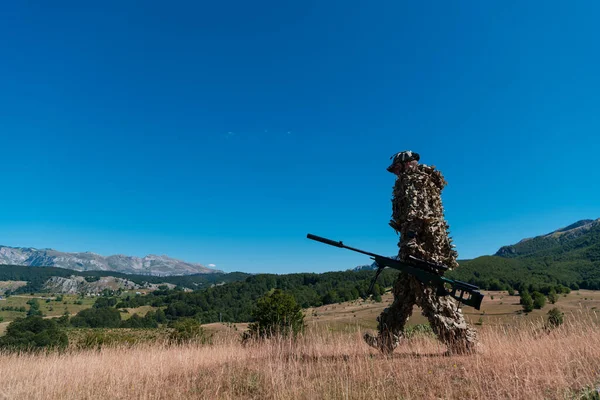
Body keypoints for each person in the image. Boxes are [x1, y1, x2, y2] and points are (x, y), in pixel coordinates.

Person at [364, 151, 477, 355]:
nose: (396, 174)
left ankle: (462, 345)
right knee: (403, 296)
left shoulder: (414, 180)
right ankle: (386, 340)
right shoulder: (425, 180)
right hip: (423, 249)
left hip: (421, 253)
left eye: (397, 169)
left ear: (407, 165)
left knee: (432, 298)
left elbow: (416, 214)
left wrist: (410, 241)